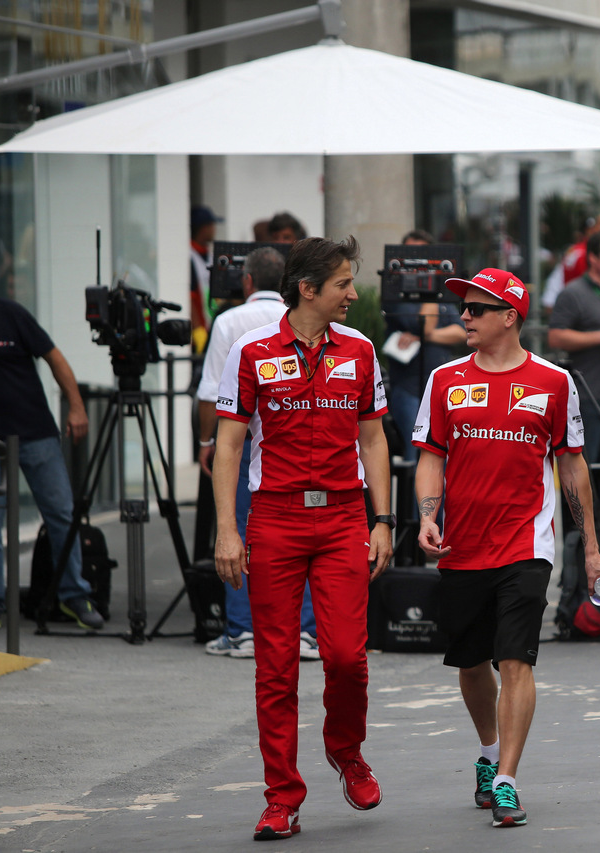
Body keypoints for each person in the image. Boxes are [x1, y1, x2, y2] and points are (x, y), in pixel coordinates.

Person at [414, 267, 600, 828]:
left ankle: (506, 779)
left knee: (516, 658)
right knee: (472, 662)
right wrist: (428, 517)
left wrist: (593, 550)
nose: (465, 317)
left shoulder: (554, 381)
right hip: (461, 545)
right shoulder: (444, 380)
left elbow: (573, 469)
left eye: (476, 309)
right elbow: (431, 456)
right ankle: (486, 753)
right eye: (465, 309)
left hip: (527, 543)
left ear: (510, 316)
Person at [213, 236, 393, 841]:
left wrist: (383, 520)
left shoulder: (361, 350)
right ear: (308, 289)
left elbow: (373, 439)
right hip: (276, 517)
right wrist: (226, 530)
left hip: (343, 517)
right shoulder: (251, 350)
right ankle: (282, 797)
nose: (354, 292)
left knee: (346, 656)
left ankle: (347, 752)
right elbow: (230, 446)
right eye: (344, 283)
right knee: (276, 666)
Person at [195, 246, 318, 659]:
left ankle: (243, 631)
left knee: (238, 533)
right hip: (297, 438)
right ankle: (304, 632)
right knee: (304, 534)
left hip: (246, 439)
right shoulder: (300, 317)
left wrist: (206, 443)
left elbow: (211, 391)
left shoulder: (230, 320)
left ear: (247, 281)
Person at [0, 253, 102, 631]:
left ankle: (74, 596)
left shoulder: (10, 315)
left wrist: (76, 407)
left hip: (34, 433)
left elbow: (55, 358)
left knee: (61, 513)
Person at [547, 230, 600, 468]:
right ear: (593, 258)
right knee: (586, 468)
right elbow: (555, 337)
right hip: (587, 396)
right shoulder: (573, 293)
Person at [382, 232, 466, 451]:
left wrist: (425, 335)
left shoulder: (445, 297)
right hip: (408, 387)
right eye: (411, 254)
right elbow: (426, 324)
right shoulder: (395, 295)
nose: (418, 262)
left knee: (444, 454)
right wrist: (432, 289)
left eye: (424, 256)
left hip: (441, 389)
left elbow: (461, 332)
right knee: (415, 452)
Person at [189, 204, 221, 353]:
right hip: (199, 331)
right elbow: (190, 296)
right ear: (203, 228)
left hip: (211, 325)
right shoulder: (189, 256)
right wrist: (198, 330)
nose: (215, 229)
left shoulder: (209, 254)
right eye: (212, 225)